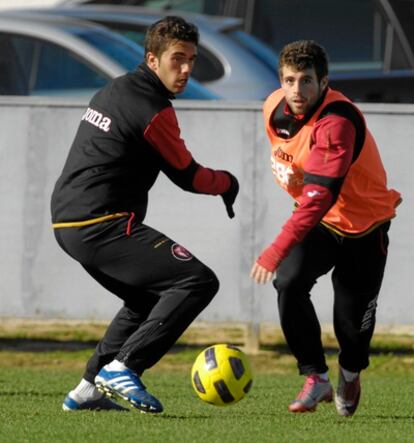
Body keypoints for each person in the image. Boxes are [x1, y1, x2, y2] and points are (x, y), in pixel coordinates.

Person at [51, 16, 239, 414]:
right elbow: (190, 176)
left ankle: (89, 388)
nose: (186, 69)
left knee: (143, 300)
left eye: (191, 59)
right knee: (197, 282)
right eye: (177, 59)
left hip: (70, 221)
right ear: (153, 59)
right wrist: (229, 183)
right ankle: (125, 368)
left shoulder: (117, 88)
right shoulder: (151, 108)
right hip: (99, 222)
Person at [250, 40, 401, 416]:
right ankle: (315, 376)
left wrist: (274, 249)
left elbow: (319, 197)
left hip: (364, 228)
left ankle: (350, 372)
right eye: (289, 80)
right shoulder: (273, 108)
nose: (296, 91)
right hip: (320, 223)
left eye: (306, 81)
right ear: (280, 81)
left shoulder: (337, 123)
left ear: (324, 82)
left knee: (351, 328)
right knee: (289, 281)